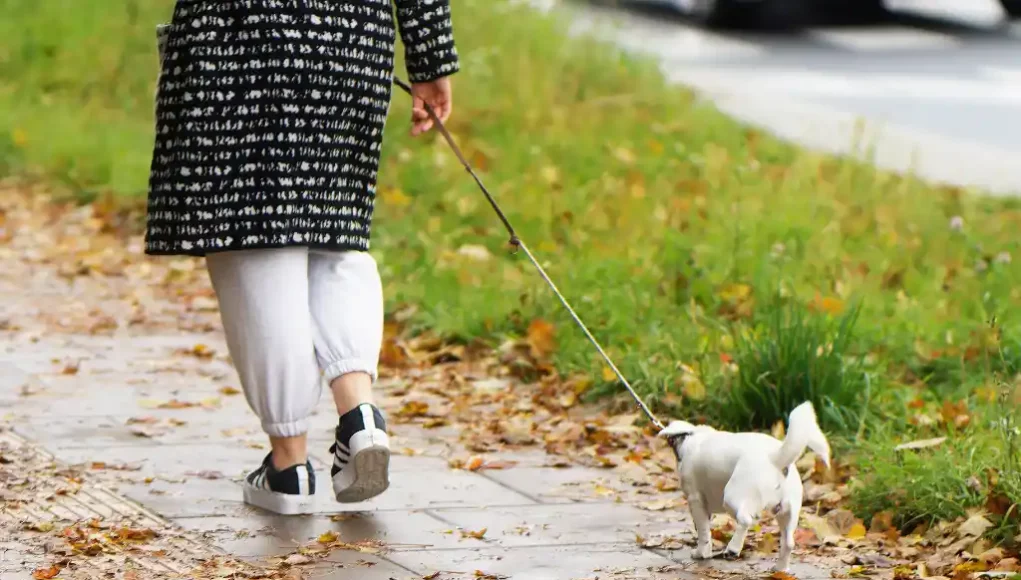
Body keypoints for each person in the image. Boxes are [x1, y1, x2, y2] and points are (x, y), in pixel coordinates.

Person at [146, 0, 459, 514]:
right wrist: (429, 56)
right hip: (348, 40)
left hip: (236, 39)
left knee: (252, 241)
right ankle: (359, 416)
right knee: (334, 237)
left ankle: (288, 466)